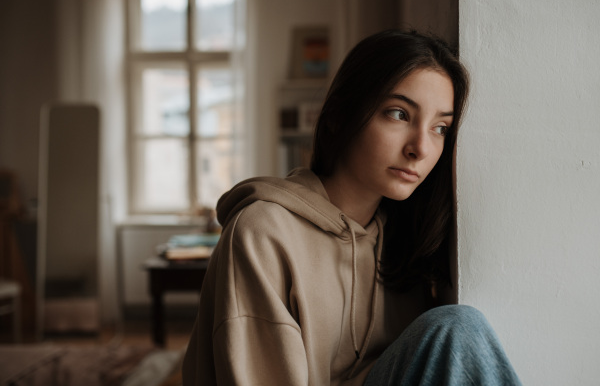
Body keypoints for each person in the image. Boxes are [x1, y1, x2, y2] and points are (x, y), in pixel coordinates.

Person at [182, 30, 522, 385]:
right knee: (457, 327)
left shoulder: (404, 241)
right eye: (398, 114)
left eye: (440, 128)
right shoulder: (262, 232)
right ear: (339, 115)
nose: (420, 148)